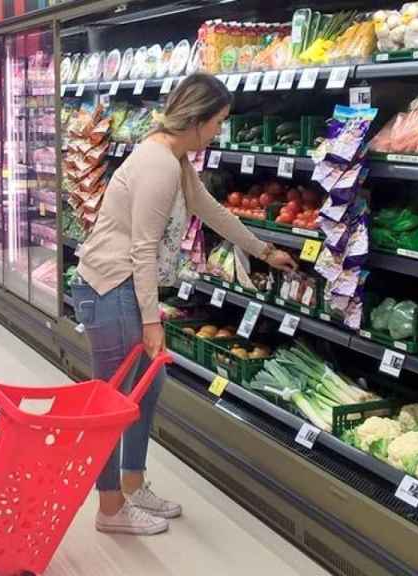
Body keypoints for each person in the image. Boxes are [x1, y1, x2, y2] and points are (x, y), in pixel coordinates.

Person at [72, 73, 297, 535]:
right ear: (195, 120)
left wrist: (263, 251)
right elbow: (142, 248)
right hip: (112, 290)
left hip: (123, 290)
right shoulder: (157, 164)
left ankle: (133, 484)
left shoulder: (175, 159)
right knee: (112, 403)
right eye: (217, 122)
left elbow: (211, 210)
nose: (218, 132)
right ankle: (109, 508)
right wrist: (152, 322)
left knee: (146, 391)